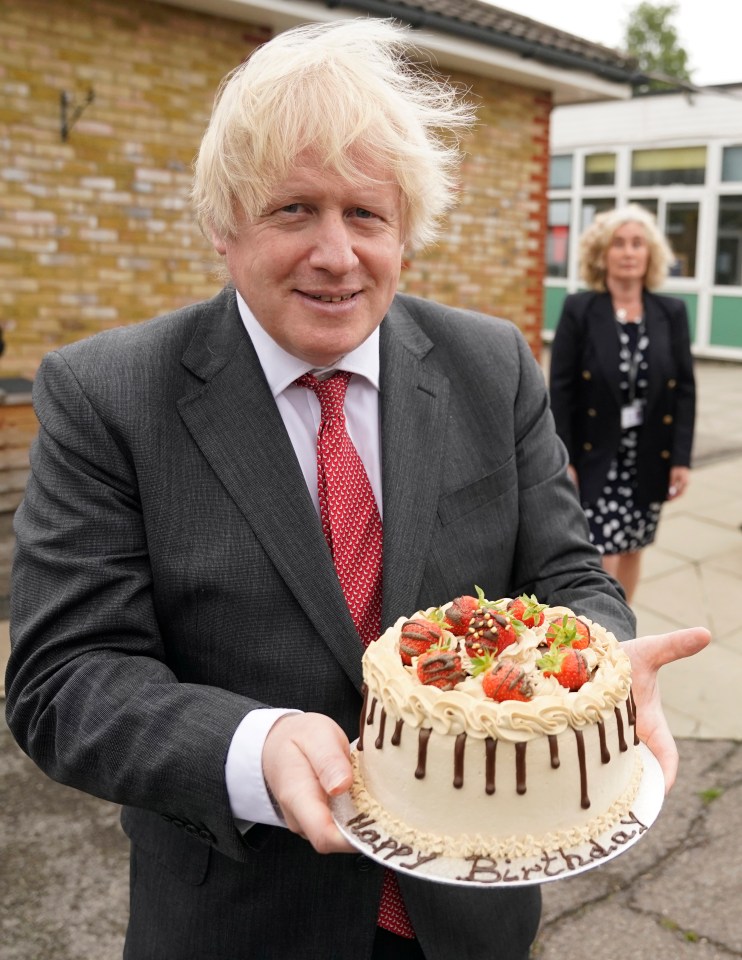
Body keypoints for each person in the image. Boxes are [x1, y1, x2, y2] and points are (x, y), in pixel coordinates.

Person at [5, 20, 709, 960]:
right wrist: (251, 747)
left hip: (473, 913)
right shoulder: (109, 395)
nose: (336, 254)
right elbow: (64, 677)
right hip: (243, 919)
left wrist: (603, 672)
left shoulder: (491, 365)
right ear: (224, 225)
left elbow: (572, 582)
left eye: (367, 216)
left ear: (405, 232)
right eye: (294, 209)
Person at [549, 204, 696, 604]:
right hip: (597, 453)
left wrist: (681, 458)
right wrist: (564, 457)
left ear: (650, 255)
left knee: (634, 545)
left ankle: (623, 626)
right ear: (603, 254)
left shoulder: (671, 312)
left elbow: (683, 388)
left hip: (649, 453)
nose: (629, 252)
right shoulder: (580, 309)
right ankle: (604, 631)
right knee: (602, 553)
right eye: (619, 243)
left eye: (637, 243)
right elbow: (560, 389)